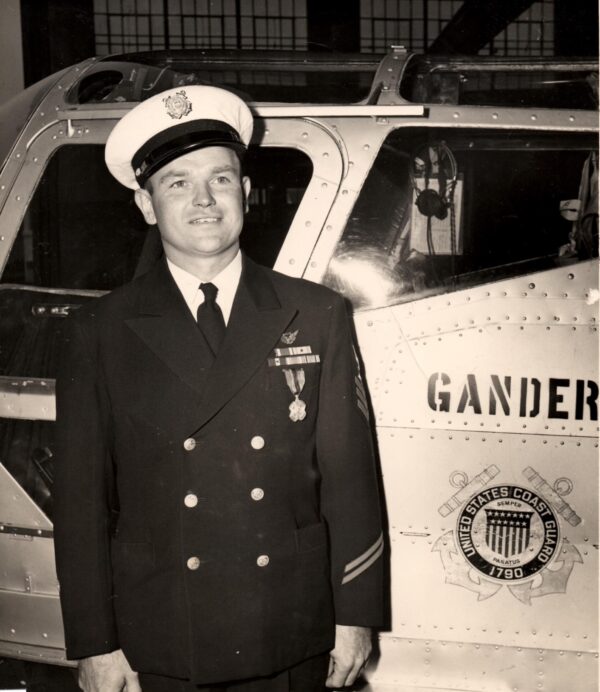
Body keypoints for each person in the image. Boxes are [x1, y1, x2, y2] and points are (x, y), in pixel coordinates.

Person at [53, 85, 384, 692]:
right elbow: (80, 505)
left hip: (288, 625)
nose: (204, 199)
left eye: (221, 179)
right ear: (146, 206)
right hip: (162, 633)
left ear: (247, 194)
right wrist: (95, 643)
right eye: (177, 183)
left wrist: (356, 617)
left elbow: (351, 481)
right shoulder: (98, 329)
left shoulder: (314, 312)